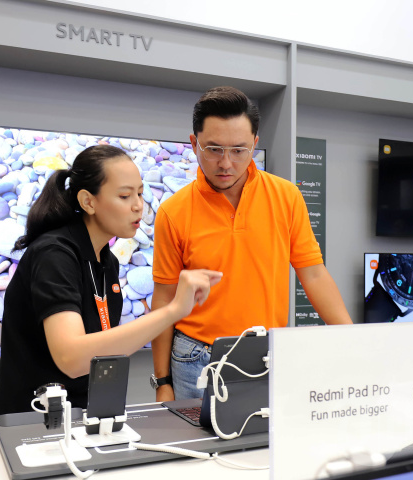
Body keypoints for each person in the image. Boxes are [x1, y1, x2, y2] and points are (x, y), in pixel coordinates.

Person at [151, 86, 353, 402]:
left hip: (266, 354)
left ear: (255, 145)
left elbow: (313, 274)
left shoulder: (286, 197)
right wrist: (162, 381)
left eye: (238, 150)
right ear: (194, 144)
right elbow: (164, 299)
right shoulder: (173, 212)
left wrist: (353, 343)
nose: (226, 163)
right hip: (196, 359)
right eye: (214, 149)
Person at [0, 145, 221, 417]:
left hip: (82, 417)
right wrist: (172, 311)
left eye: (140, 193)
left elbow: (101, 351)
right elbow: (72, 358)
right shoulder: (54, 254)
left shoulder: (106, 261)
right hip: (32, 420)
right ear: (88, 202)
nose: (138, 205)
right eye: (124, 196)